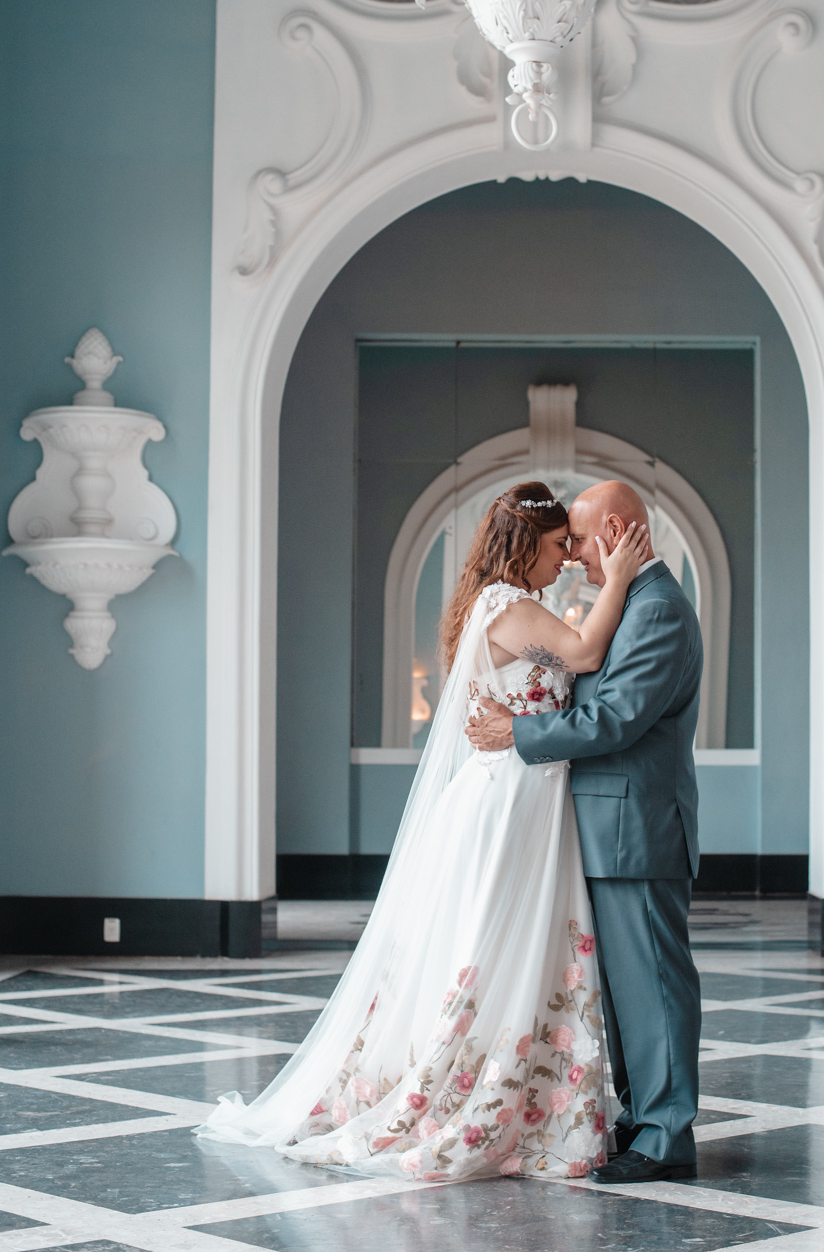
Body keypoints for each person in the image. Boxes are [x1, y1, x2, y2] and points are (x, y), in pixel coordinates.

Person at [197, 480, 649, 1182]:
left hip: (533, 796)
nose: (567, 558)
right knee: (495, 941)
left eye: (572, 545)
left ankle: (530, 1102)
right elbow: (586, 655)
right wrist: (617, 576)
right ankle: (476, 1097)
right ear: (525, 544)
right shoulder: (506, 605)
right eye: (560, 544)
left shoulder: (512, 604)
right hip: (509, 802)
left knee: (528, 946)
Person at [466, 479, 703, 1185]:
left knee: (654, 986)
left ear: (617, 532)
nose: (573, 556)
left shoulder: (657, 609)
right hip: (608, 828)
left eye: (579, 540)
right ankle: (642, 1121)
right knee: (628, 991)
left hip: (636, 829)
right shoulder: (632, 602)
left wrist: (518, 732)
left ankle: (665, 1138)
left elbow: (615, 719)